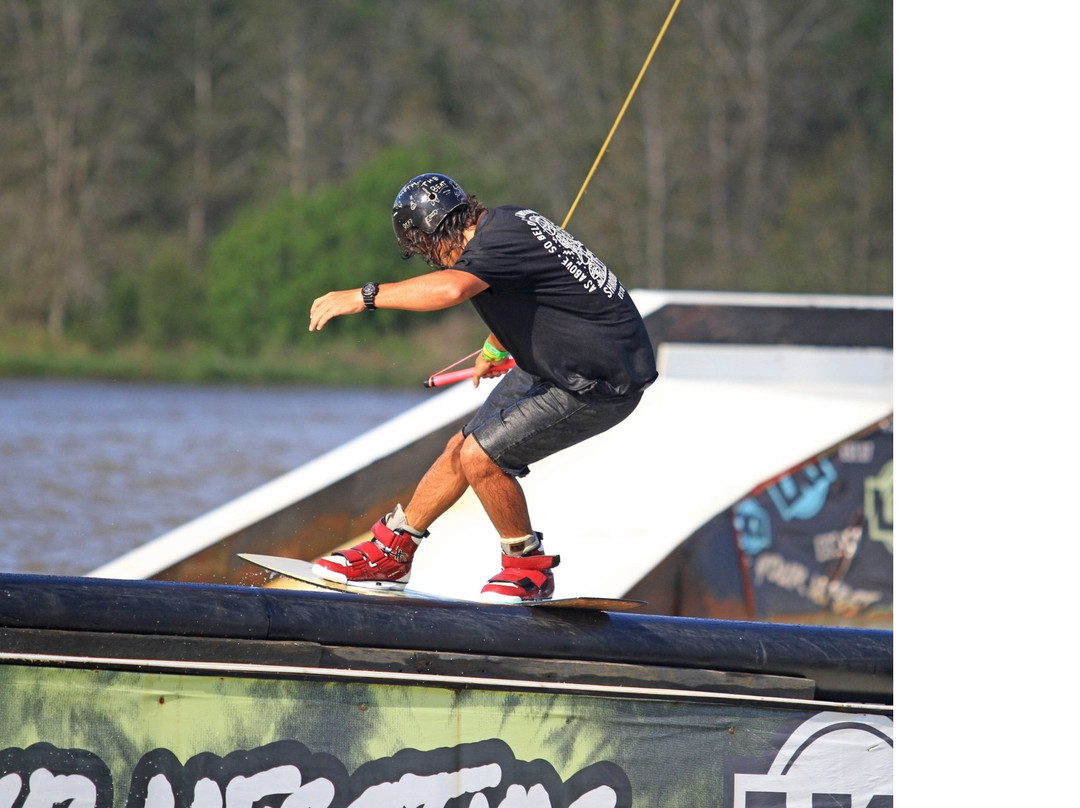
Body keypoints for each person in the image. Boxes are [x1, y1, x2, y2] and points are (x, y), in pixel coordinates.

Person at [307, 173, 657, 602]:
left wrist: (365, 296)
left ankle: (528, 568)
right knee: (461, 447)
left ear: (431, 235)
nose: (433, 262)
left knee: (482, 457)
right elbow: (543, 291)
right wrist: (495, 347)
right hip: (556, 365)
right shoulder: (503, 223)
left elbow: (452, 288)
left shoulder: (493, 243)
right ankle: (393, 552)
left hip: (599, 379)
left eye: (424, 252)